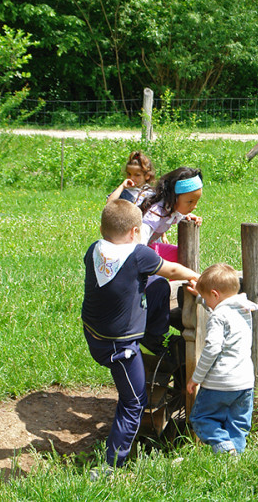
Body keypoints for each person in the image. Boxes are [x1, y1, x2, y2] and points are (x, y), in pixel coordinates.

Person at [82, 199, 199, 474]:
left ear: (102, 229)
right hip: (119, 347)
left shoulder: (94, 250)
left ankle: (152, 338)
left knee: (155, 284)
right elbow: (171, 270)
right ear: (136, 232)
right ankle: (110, 467)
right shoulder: (137, 255)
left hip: (94, 335)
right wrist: (200, 278)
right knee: (134, 401)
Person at [187, 263, 258, 455]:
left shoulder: (218, 316)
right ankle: (235, 458)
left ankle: (223, 447)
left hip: (220, 382)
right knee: (238, 424)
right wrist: (202, 299)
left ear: (215, 294)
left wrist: (196, 378)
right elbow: (221, 306)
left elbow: (212, 348)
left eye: (206, 298)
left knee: (201, 418)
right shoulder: (244, 308)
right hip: (245, 382)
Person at [140, 167, 204, 263]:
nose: (194, 206)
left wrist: (185, 215)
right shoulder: (155, 214)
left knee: (182, 255)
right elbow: (138, 243)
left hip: (149, 247)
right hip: (137, 252)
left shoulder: (169, 208)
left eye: (196, 201)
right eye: (190, 202)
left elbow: (175, 214)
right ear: (173, 197)